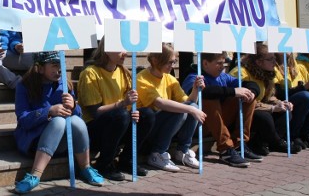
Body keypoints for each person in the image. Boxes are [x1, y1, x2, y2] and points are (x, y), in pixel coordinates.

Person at [13, 51, 104, 194]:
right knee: (58, 122)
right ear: (40, 68)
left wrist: (74, 106)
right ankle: (35, 175)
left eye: (61, 64)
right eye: (55, 65)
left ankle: (85, 167)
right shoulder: (24, 85)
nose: (60, 69)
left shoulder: (64, 84)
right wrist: (48, 111)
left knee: (76, 121)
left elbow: (77, 113)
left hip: (61, 144)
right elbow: (23, 120)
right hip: (34, 141)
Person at [77, 37, 155, 180]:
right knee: (121, 115)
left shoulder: (123, 72)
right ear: (107, 50)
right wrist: (122, 104)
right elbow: (96, 113)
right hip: (93, 131)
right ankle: (104, 164)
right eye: (120, 49)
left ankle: (127, 160)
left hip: (118, 123)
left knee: (147, 114)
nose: (125, 53)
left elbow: (128, 105)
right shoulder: (90, 73)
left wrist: (133, 111)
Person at [182, 53, 263, 167]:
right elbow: (205, 92)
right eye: (219, 63)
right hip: (198, 126)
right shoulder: (193, 77)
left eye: (224, 63)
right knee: (209, 100)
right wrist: (233, 91)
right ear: (205, 63)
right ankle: (225, 149)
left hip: (219, 122)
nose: (223, 67)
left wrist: (251, 93)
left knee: (247, 97)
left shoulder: (223, 77)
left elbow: (251, 84)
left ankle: (239, 144)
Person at [137, 43, 206, 171]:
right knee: (181, 110)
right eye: (169, 62)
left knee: (192, 105)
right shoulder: (142, 78)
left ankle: (182, 151)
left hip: (165, 125)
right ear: (155, 60)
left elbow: (188, 101)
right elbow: (159, 103)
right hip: (146, 128)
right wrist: (190, 109)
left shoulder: (170, 78)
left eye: (174, 62)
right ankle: (157, 153)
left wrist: (195, 89)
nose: (172, 66)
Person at [229, 43, 301, 155]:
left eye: (274, 58)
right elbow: (246, 100)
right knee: (264, 116)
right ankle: (277, 142)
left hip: (259, 107)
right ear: (258, 62)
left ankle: (260, 142)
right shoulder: (241, 73)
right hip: (240, 112)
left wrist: (280, 103)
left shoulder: (267, 73)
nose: (274, 62)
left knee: (285, 112)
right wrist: (272, 108)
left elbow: (269, 96)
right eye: (270, 59)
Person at [274, 52, 309, 150]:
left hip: (296, 98)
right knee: (305, 97)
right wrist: (306, 86)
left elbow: (301, 85)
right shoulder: (273, 66)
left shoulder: (295, 65)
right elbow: (279, 94)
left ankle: (306, 133)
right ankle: (292, 135)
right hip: (281, 101)